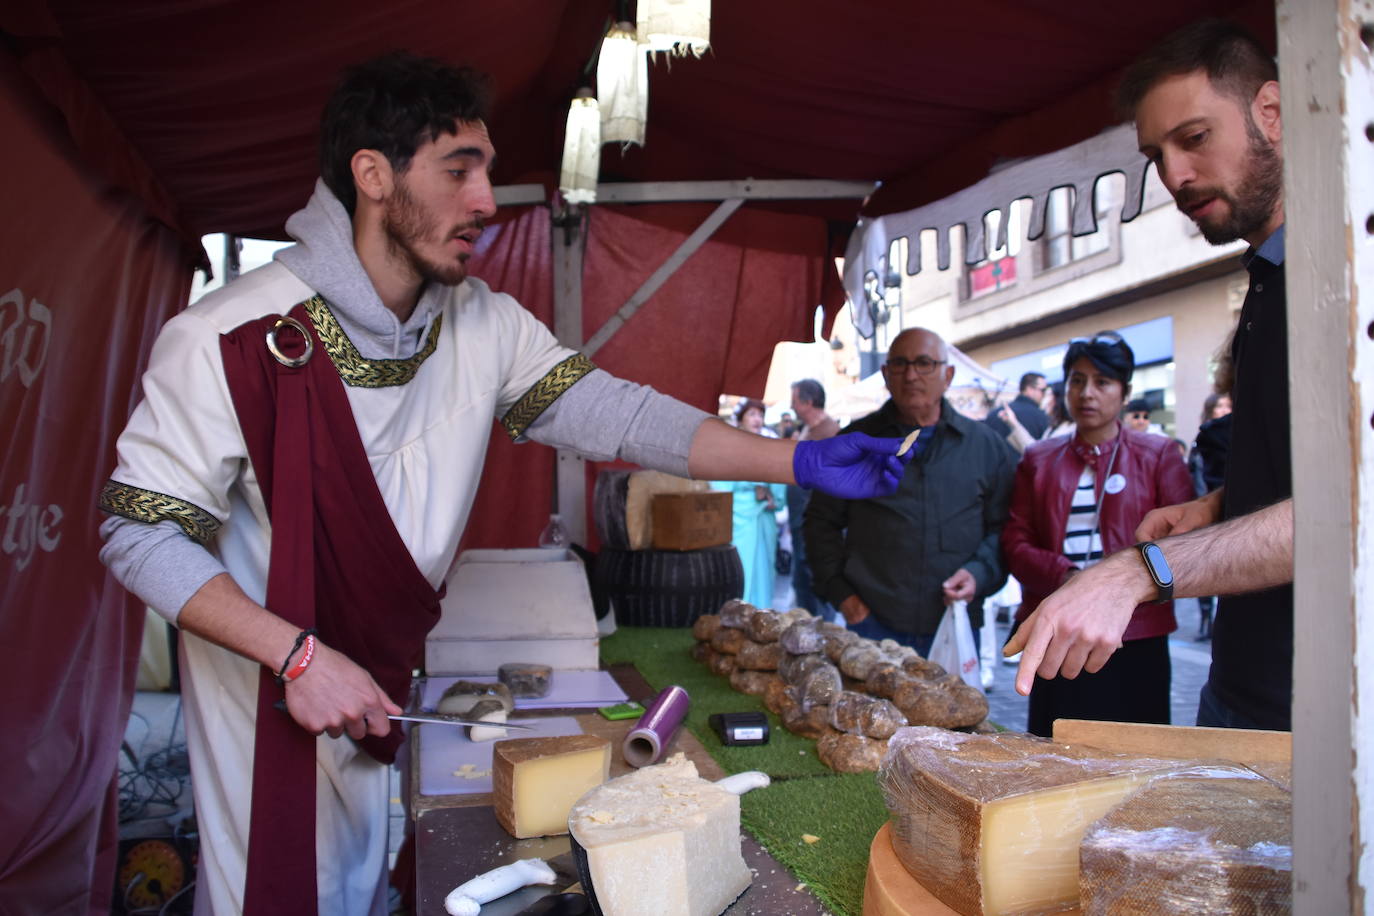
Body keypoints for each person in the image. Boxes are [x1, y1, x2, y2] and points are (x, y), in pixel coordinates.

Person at [95, 53, 912, 915]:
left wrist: (792, 461)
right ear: (372, 175)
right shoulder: (226, 335)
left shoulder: (482, 322)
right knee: (281, 887)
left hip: (377, 673)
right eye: (459, 170)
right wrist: (295, 653)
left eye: (485, 171)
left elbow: (622, 418)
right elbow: (137, 532)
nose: (486, 201)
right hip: (268, 682)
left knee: (362, 882)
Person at [1004, 19, 1295, 732]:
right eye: (1155, 156)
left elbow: (1350, 511)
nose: (1174, 177)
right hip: (1246, 685)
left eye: (1194, 139)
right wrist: (1223, 504)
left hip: (1323, 709)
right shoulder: (1268, 280)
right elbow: (1303, 479)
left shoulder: (1341, 275)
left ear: (1272, 112)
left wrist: (1140, 569)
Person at [1002, 332, 1194, 736]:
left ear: (1124, 393)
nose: (1087, 393)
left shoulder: (1158, 455)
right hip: (1058, 630)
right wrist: (1068, 577)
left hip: (1137, 633)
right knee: (1057, 755)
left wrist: (1120, 586)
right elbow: (1015, 545)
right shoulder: (1038, 459)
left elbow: (1184, 542)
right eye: (1077, 380)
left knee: (1138, 757)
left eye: (1102, 382)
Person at [805, 328, 1017, 654]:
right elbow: (820, 523)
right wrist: (842, 595)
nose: (911, 374)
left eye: (924, 363)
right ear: (886, 375)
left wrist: (979, 573)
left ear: (948, 375)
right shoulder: (856, 443)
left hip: (955, 621)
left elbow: (1004, 528)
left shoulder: (987, 447)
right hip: (872, 624)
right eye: (900, 364)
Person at [712, 399, 787, 608]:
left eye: (760, 414)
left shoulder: (770, 445)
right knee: (741, 567)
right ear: (741, 418)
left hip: (764, 516)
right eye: (752, 414)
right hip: (740, 517)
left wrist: (773, 497)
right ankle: (738, 613)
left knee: (764, 568)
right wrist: (752, 492)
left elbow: (779, 482)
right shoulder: (729, 447)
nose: (757, 419)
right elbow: (721, 486)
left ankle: (762, 615)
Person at [785, 379, 841, 616]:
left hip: (816, 523)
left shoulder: (830, 432)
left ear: (808, 402)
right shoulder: (809, 429)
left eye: (795, 400)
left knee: (816, 580)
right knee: (802, 581)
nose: (791, 405)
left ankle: (823, 638)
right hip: (801, 521)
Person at [1189, 391, 1234, 639]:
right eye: (1220, 406)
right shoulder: (1208, 439)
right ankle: (1206, 622)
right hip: (1204, 517)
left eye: (1229, 405)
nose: (1225, 410)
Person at [985, 371, 1051, 443]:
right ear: (1029, 389)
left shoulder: (994, 414)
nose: (1044, 394)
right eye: (1043, 390)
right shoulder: (1040, 416)